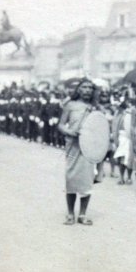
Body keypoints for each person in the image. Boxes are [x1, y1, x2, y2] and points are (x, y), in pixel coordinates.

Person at [57, 78, 97, 225]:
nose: (87, 90)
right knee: (71, 178)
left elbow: (99, 127)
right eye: (84, 87)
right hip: (73, 146)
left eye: (90, 88)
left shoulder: (94, 108)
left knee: (86, 181)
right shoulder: (70, 105)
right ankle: (70, 213)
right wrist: (69, 132)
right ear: (78, 89)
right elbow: (60, 125)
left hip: (88, 148)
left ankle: (82, 214)